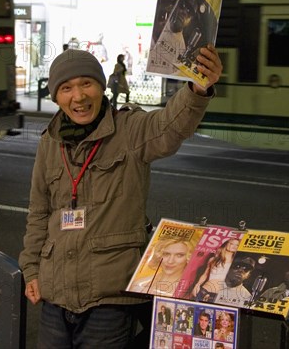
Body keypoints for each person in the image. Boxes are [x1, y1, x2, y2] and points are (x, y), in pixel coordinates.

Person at [18, 44, 222, 348]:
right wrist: (31, 269)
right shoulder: (50, 141)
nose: (79, 96)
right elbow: (39, 212)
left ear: (101, 87)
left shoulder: (129, 129)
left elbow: (170, 127)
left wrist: (197, 89)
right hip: (55, 297)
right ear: (56, 97)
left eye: (86, 84)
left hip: (111, 298)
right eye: (66, 88)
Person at [128, 238, 195, 297]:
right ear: (159, 255)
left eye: (179, 255)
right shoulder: (139, 284)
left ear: (189, 258)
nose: (170, 261)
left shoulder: (192, 289)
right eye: (166, 254)